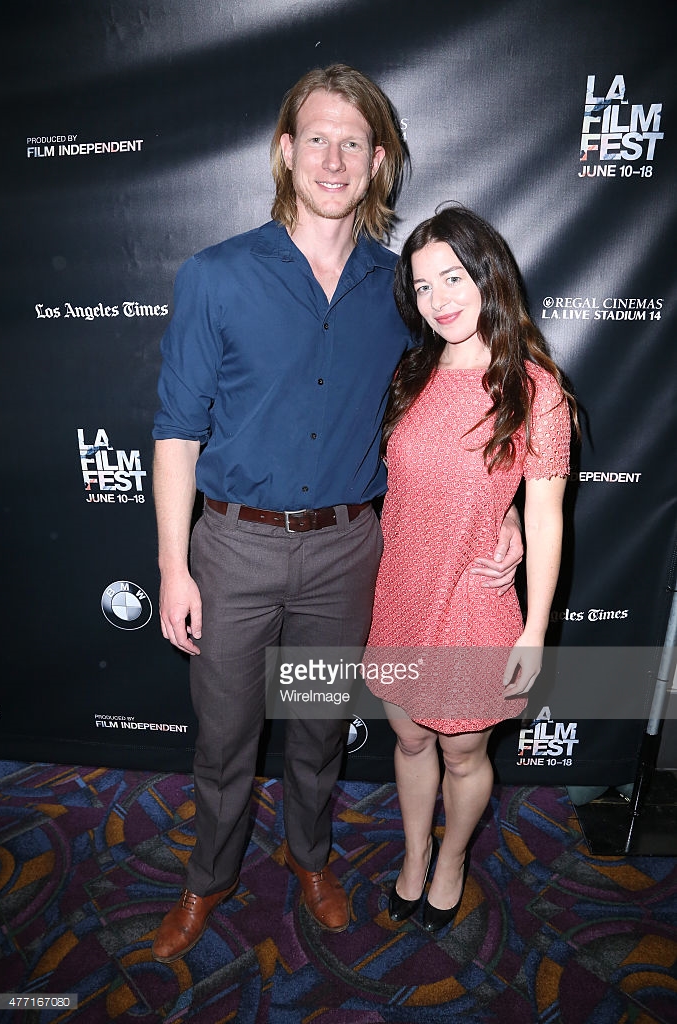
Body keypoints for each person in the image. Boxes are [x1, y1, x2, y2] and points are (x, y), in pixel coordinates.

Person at [150, 67, 523, 963]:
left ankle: (310, 860)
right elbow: (175, 433)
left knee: (317, 730)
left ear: (380, 163)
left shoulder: (406, 293)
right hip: (232, 551)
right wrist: (173, 564)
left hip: (350, 555)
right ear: (284, 152)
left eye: (354, 141)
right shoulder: (215, 276)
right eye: (316, 136)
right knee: (227, 738)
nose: (334, 156)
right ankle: (207, 880)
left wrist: (500, 514)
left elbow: (463, 412)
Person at [365, 204, 577, 932]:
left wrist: (534, 631)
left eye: (452, 277)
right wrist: (502, 511)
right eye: (422, 287)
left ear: (488, 276)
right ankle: (413, 856)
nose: (438, 299)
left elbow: (546, 513)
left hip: (470, 600)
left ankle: (450, 858)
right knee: (410, 738)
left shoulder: (531, 387)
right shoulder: (411, 370)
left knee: (459, 751)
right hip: (397, 590)